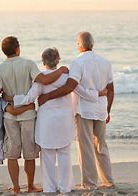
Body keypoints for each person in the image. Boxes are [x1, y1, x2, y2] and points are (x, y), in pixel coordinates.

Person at [3, 47, 107, 193]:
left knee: (47, 155)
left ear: (43, 61)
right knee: (65, 154)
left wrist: (10, 98)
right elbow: (83, 93)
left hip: (47, 121)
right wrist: (100, 93)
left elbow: (29, 98)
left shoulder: (40, 79)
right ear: (58, 60)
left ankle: (50, 187)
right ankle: (65, 187)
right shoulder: (67, 77)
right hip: (64, 119)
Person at [0, 36, 68, 194]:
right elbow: (43, 80)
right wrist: (61, 70)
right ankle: (30, 185)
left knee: (12, 153)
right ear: (18, 49)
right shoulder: (28, 64)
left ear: (4, 52)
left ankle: (16, 187)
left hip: (10, 117)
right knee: (29, 153)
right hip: (29, 115)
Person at [38, 32, 115, 189]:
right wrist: (108, 109)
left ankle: (90, 183)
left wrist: (48, 97)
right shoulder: (105, 62)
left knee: (85, 147)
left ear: (80, 45)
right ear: (92, 44)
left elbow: (70, 86)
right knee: (101, 146)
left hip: (84, 110)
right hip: (100, 109)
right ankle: (108, 181)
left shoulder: (78, 63)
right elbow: (111, 89)